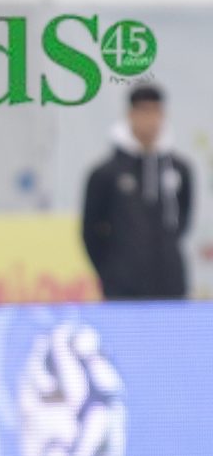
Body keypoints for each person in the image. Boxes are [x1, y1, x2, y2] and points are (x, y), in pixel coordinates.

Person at [82, 84, 193, 299]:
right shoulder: (106, 173)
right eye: (144, 111)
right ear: (130, 115)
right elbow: (91, 231)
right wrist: (111, 273)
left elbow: (183, 220)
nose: (151, 120)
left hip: (170, 285)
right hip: (122, 289)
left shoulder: (179, 169)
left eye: (156, 112)